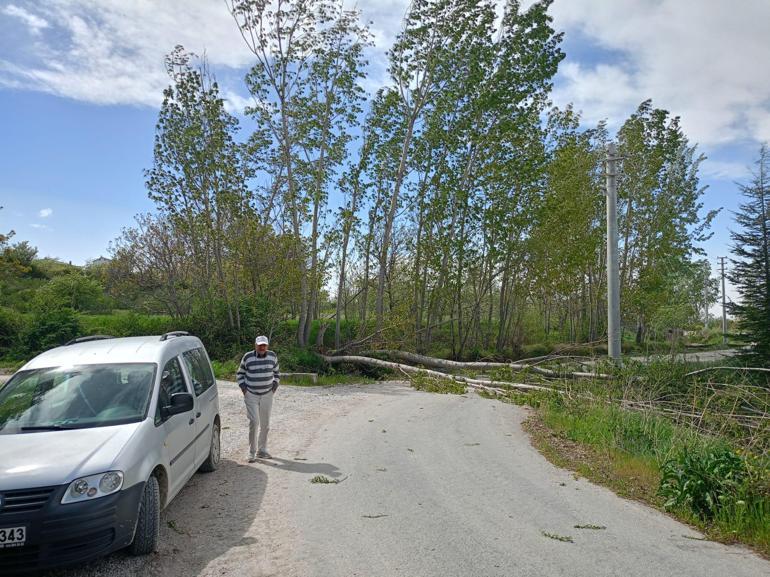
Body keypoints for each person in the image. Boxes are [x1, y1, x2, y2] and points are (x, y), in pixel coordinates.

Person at [237, 335, 280, 462]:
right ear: (255, 345)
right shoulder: (248, 357)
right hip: (251, 394)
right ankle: (252, 452)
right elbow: (240, 374)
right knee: (254, 422)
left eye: (264, 345)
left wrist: (274, 388)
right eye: (260, 345)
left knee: (265, 424)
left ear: (267, 346)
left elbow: (277, 373)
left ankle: (262, 450)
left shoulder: (272, 356)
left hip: (267, 393)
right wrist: (244, 390)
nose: (262, 347)